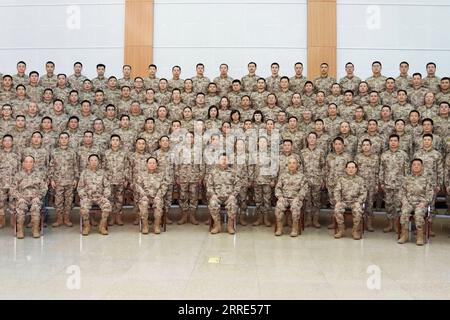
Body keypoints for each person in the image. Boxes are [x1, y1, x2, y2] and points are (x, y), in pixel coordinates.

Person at [398, 159, 434, 246]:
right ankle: (404, 235)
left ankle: (420, 236)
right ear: (411, 167)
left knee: (418, 213)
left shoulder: (426, 179)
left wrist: (424, 202)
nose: (416, 166)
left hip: (421, 203)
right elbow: (401, 192)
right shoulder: (406, 178)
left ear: (422, 167)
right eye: (414, 165)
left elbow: (430, 193)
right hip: (408, 203)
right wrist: (404, 201)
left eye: (418, 165)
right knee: (404, 212)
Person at [11, 155, 48, 239]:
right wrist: (19, 197)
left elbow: (44, 187)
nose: (28, 164)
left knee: (35, 207)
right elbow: (13, 189)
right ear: (23, 163)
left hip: (35, 198)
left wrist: (38, 197)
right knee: (20, 208)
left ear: (34, 163)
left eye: (31, 162)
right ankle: (20, 230)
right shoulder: (18, 175)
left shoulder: (39, 175)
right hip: (22, 198)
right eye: (26, 162)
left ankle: (35, 230)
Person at [379, 134, 409, 233]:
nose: (393, 142)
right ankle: (389, 224)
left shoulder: (403, 155)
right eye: (391, 140)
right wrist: (381, 182)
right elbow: (381, 169)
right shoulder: (384, 155)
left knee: (398, 205)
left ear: (398, 142)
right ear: (389, 142)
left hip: (400, 185)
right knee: (388, 205)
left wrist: (406, 183)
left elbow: (407, 170)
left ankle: (397, 224)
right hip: (387, 184)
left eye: (395, 140)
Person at [206, 153, 242, 234]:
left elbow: (238, 185)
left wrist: (233, 195)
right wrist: (213, 195)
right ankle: (217, 225)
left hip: (229, 197)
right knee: (212, 203)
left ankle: (230, 225)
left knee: (233, 204)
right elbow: (209, 185)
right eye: (222, 159)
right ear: (218, 161)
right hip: (217, 197)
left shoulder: (233, 172)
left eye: (225, 159)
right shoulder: (213, 172)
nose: (224, 161)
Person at [49, 132, 78, 228]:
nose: (64, 140)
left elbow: (75, 165)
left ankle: (67, 218)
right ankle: (59, 218)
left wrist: (76, 178)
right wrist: (51, 179)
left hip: (70, 180)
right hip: (58, 180)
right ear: (59, 140)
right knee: (58, 200)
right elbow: (51, 166)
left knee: (69, 200)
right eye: (62, 138)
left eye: (66, 138)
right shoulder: (54, 151)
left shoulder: (72, 152)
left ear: (68, 139)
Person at [77, 154, 111, 236]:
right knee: (83, 208)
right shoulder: (84, 173)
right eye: (91, 160)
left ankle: (102, 227)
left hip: (100, 197)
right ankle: (87, 226)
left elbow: (107, 186)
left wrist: (105, 197)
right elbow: (80, 187)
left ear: (98, 162)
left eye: (95, 160)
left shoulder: (102, 173)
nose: (93, 162)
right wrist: (84, 197)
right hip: (88, 197)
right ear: (88, 162)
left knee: (107, 206)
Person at [274, 157, 309, 237]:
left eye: (294, 163)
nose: (292, 165)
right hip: (284, 198)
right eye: (290, 163)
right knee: (279, 205)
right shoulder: (283, 176)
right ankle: (279, 229)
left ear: (297, 165)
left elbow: (304, 189)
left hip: (296, 199)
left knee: (295, 206)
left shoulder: (302, 176)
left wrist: (299, 197)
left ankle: (294, 229)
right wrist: (280, 197)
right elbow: (278, 188)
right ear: (287, 165)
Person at [134, 157, 169, 234]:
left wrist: (158, 195)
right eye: (150, 163)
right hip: (145, 196)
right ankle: (145, 225)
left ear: (156, 165)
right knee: (144, 203)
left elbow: (164, 186)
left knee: (158, 203)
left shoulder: (161, 175)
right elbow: (138, 186)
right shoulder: (141, 174)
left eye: (154, 163)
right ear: (147, 164)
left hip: (157, 196)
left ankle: (156, 225)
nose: (152, 165)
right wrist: (143, 195)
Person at [333, 161, 367, 240]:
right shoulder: (341, 179)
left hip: (355, 202)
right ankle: (341, 229)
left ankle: (355, 231)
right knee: (337, 209)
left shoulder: (360, 180)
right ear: (345, 169)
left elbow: (363, 193)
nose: (350, 169)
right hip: (344, 201)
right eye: (349, 168)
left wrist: (359, 202)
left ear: (356, 169)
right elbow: (336, 191)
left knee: (358, 210)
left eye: (352, 168)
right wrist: (338, 201)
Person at [300, 132, 326, 228]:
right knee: (307, 200)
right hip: (306, 180)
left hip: (317, 179)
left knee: (316, 201)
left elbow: (323, 166)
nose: (311, 139)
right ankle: (308, 219)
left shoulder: (320, 152)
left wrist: (323, 179)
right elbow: (300, 167)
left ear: (316, 140)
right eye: (310, 137)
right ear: (307, 139)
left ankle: (315, 220)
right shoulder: (302, 152)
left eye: (313, 138)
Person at [354, 139, 379, 231]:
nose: (365, 147)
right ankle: (359, 223)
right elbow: (354, 172)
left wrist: (377, 184)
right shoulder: (357, 157)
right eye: (363, 145)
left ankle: (369, 223)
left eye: (367, 145)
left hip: (371, 184)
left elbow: (377, 172)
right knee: (359, 203)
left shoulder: (375, 157)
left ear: (371, 146)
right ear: (361, 147)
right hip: (359, 185)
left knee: (369, 204)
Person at [0, 135, 21, 228]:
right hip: (1, 182)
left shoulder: (17, 154)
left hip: (13, 182)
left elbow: (20, 169)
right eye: (5, 140)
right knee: (1, 202)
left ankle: (13, 220)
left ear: (12, 142)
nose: (7, 142)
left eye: (9, 140)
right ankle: (2, 220)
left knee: (14, 202)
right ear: (2, 142)